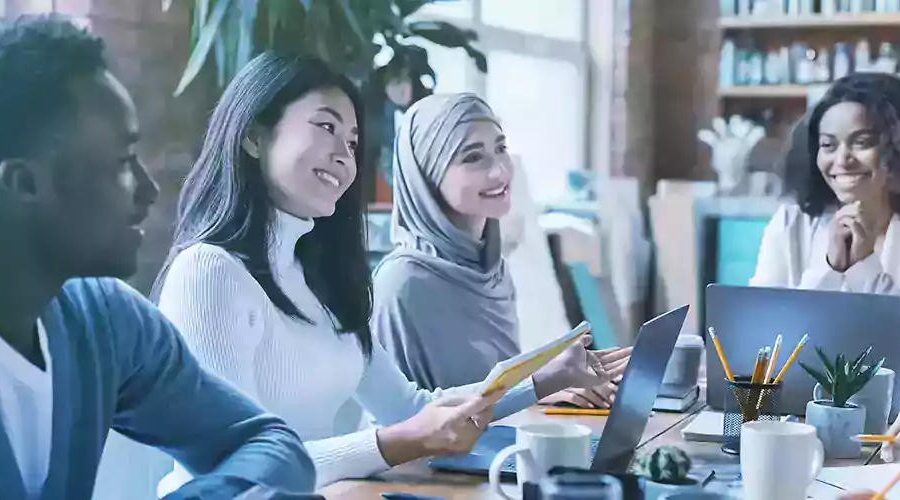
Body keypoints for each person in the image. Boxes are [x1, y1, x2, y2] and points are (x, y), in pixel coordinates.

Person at [153, 53, 624, 490]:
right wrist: (399, 442)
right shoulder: (209, 273)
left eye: (353, 141)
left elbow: (410, 408)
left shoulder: (318, 278)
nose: (345, 155)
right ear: (255, 137)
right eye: (325, 127)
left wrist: (548, 378)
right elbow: (233, 466)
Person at [0, 15, 316, 499]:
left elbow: (270, 444)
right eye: (122, 163)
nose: (149, 191)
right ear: (24, 182)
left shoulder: (103, 318)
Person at [372, 92, 630, 409]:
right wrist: (540, 386)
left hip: (492, 449)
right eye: (472, 157)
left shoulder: (492, 268)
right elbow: (404, 419)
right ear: (427, 175)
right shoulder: (402, 284)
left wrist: (548, 387)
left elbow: (493, 389)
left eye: (500, 148)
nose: (499, 172)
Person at [749, 73, 900, 372]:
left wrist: (867, 269)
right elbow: (758, 347)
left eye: (862, 142)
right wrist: (830, 268)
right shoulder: (789, 225)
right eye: (828, 145)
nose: (842, 159)